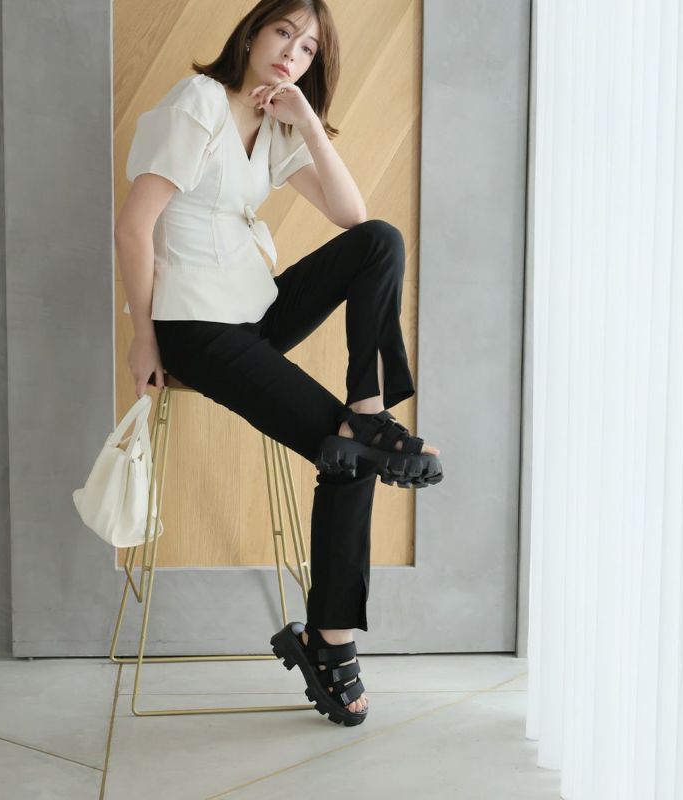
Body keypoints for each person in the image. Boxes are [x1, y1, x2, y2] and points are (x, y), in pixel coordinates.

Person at [114, 0, 443, 727]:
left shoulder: (276, 122)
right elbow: (134, 227)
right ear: (254, 32)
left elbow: (353, 217)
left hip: (252, 312)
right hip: (194, 326)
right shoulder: (200, 102)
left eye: (308, 48)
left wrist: (308, 123)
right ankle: (331, 640)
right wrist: (143, 337)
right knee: (349, 455)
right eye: (284, 33)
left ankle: (368, 411)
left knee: (381, 242)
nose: (292, 52)